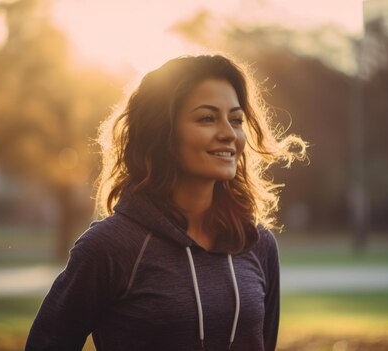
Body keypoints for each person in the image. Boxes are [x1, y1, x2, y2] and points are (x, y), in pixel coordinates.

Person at [25, 54, 306, 351]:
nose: (228, 133)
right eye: (207, 118)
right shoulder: (110, 247)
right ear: (163, 132)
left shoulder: (257, 243)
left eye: (236, 120)